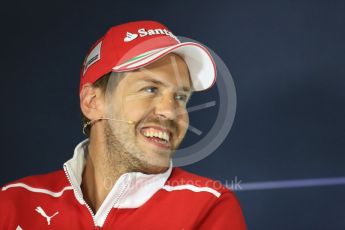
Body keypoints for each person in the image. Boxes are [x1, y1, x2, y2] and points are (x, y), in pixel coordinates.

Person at [0, 20, 246, 229]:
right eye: (150, 89)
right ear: (93, 102)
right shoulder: (14, 201)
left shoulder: (208, 206)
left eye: (180, 97)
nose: (170, 111)